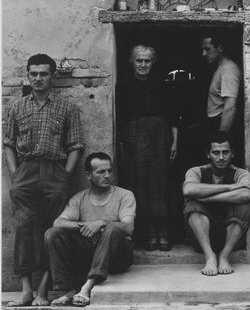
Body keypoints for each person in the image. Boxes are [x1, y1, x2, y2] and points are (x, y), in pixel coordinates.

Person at [3, 54, 84, 307]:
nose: (38, 79)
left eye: (44, 74)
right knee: (25, 229)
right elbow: (9, 144)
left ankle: (43, 292)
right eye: (33, 74)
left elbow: (76, 145)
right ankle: (26, 291)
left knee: (53, 231)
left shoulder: (66, 107)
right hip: (25, 173)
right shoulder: (17, 107)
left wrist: (64, 175)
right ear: (28, 75)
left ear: (53, 76)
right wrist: (16, 175)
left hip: (55, 172)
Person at [45, 152, 136, 306]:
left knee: (112, 228)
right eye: (101, 172)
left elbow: (128, 227)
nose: (107, 175)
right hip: (90, 255)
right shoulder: (79, 198)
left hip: (119, 256)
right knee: (52, 234)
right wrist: (86, 225)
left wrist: (101, 223)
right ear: (88, 175)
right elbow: (58, 223)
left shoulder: (125, 195)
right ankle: (64, 290)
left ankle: (87, 286)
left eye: (109, 171)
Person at [117, 44, 178, 251]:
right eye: (139, 60)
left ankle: (163, 231)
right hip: (136, 136)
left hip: (161, 135)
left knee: (161, 182)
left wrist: (175, 141)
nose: (143, 65)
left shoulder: (163, 83)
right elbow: (121, 118)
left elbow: (172, 115)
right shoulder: (123, 84)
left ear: (153, 62)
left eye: (147, 61)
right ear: (131, 62)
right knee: (141, 182)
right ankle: (149, 233)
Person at [183, 131, 250, 276]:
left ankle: (224, 257)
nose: (221, 157)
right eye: (216, 153)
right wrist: (229, 187)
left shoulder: (240, 173)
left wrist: (207, 197)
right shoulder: (196, 171)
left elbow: (247, 194)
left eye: (225, 152)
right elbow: (189, 190)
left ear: (232, 153)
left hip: (231, 236)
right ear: (208, 154)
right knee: (193, 205)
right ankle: (209, 257)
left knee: (244, 206)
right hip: (201, 237)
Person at [201, 35, 244, 166]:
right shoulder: (221, 68)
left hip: (222, 125)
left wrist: (221, 139)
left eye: (207, 49)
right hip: (216, 124)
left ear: (219, 48)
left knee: (221, 165)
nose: (203, 54)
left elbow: (230, 107)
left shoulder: (228, 70)